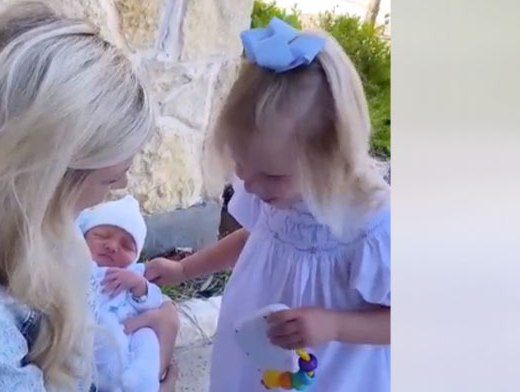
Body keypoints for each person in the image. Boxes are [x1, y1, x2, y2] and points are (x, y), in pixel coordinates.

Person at [0, 2, 178, 391]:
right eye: (108, 180)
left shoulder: (40, 231)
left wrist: (162, 320)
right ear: (44, 180)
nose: (121, 187)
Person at [145, 17, 391, 392]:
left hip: (328, 375)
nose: (251, 184)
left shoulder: (371, 225)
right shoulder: (279, 191)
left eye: (272, 176)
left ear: (329, 159)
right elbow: (256, 237)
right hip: (253, 362)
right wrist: (184, 270)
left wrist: (335, 324)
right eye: (242, 164)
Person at [77, 195, 179, 392]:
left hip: (130, 333)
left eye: (126, 246)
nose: (112, 246)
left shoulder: (135, 272)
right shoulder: (79, 262)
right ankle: (109, 380)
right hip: (96, 329)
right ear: (83, 236)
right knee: (102, 336)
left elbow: (154, 301)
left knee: (148, 337)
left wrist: (139, 286)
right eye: (102, 236)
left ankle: (143, 380)